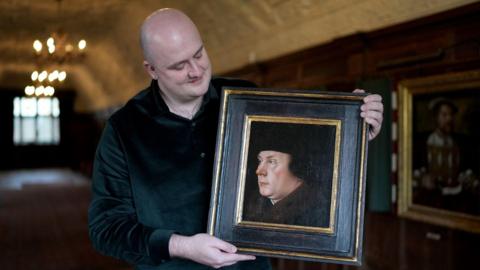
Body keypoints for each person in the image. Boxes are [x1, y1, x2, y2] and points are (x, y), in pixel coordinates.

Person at [88, 8, 384, 270]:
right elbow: (105, 229)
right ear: (151, 70)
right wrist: (182, 246)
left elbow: (303, 162)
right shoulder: (123, 130)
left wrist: (355, 133)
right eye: (179, 66)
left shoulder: (247, 100)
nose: (196, 70)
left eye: (199, 54)